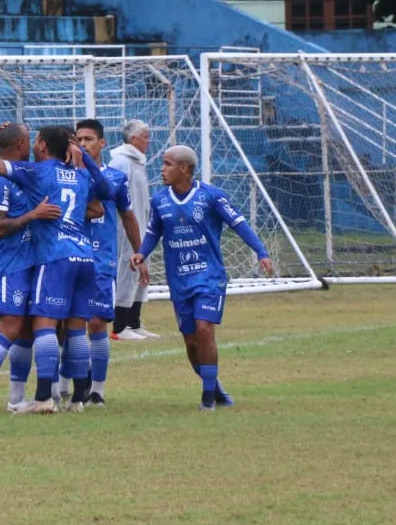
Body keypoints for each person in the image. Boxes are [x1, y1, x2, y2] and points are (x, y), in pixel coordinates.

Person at [0, 126, 112, 413]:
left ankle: (42, 399)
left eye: (37, 140)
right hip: (85, 257)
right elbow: (102, 202)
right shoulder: (79, 174)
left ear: (41, 145)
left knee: (43, 327)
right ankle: (77, 400)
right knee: (75, 330)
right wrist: (83, 158)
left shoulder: (36, 172)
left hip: (55, 257)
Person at [131, 145, 274, 411]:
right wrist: (141, 253)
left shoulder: (211, 197)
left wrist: (261, 252)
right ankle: (216, 388)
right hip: (179, 279)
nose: (161, 169)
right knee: (190, 340)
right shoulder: (160, 200)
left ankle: (207, 399)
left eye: (167, 164)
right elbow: (153, 232)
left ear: (184, 169)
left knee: (205, 330)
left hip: (208, 277)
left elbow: (239, 223)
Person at [0, 123, 59, 416]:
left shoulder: (27, 174)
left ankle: (16, 399)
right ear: (20, 143)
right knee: (9, 328)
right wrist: (33, 215)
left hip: (35, 261)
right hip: (11, 264)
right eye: (28, 140)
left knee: (27, 334)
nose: (33, 145)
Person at [73, 119, 143, 405]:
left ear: (102, 143)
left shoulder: (114, 178)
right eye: (79, 139)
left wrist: (141, 255)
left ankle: (97, 391)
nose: (84, 144)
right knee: (67, 326)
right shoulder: (66, 176)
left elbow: (128, 216)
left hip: (101, 262)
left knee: (97, 324)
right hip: (70, 259)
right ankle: (67, 387)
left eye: (89, 139)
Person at [109, 120, 156, 340]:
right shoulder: (121, 161)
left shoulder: (138, 161)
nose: (148, 141)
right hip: (125, 228)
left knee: (142, 270)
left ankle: (134, 321)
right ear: (134, 139)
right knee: (127, 270)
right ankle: (119, 327)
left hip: (142, 225)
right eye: (145, 136)